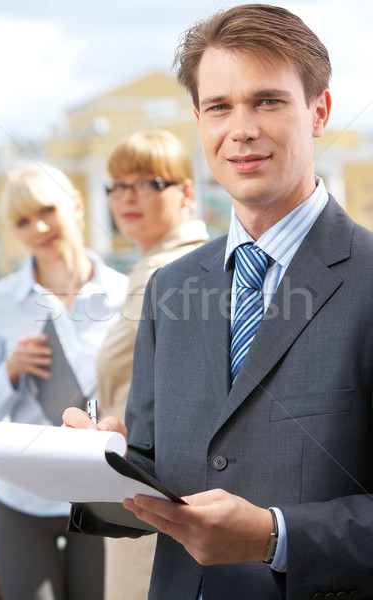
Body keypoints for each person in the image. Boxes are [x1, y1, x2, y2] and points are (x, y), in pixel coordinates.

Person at [64, 4, 373, 600]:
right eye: (219, 106)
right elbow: (156, 478)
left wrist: (275, 537)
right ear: (200, 121)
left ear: (320, 111)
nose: (241, 128)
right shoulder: (170, 287)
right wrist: (99, 463)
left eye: (267, 101)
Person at [0, 162, 128, 600]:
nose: (38, 227)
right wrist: (10, 372)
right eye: (22, 221)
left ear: (77, 206)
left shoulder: (125, 294)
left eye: (46, 210)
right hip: (20, 499)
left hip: (98, 493)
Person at [96, 130, 209, 600]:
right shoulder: (151, 267)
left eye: (147, 183)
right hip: (136, 483)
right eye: (117, 186)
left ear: (185, 192)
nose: (127, 198)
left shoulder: (184, 268)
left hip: (158, 487)